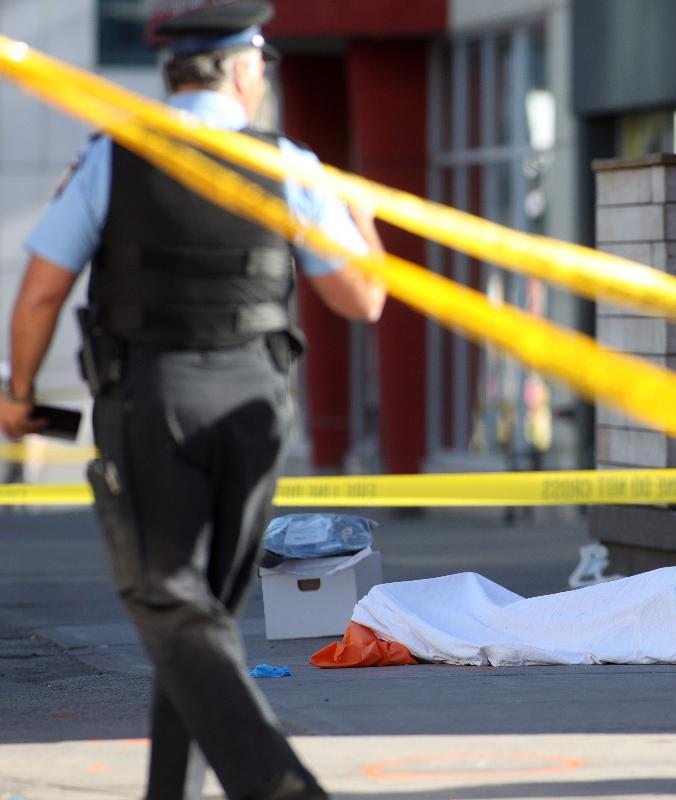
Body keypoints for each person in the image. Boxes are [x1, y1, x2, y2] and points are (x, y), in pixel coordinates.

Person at [0, 2, 386, 798]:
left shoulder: (112, 158)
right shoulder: (290, 165)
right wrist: (366, 225)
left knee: (181, 615)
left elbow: (40, 294)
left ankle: (276, 783)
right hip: (252, 404)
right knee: (202, 620)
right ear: (244, 71)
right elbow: (363, 299)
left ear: (174, 74)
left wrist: (21, 393)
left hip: (154, 401)